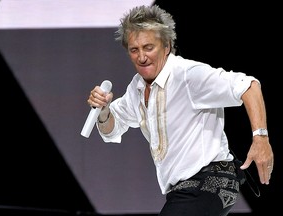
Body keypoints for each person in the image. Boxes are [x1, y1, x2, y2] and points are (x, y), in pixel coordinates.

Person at [86, 4, 274, 216]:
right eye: (134, 50)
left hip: (211, 181)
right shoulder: (136, 88)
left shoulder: (186, 75)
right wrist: (103, 110)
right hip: (184, 191)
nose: (141, 57)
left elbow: (248, 85)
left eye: (149, 47)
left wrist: (261, 138)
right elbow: (113, 127)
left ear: (166, 46)